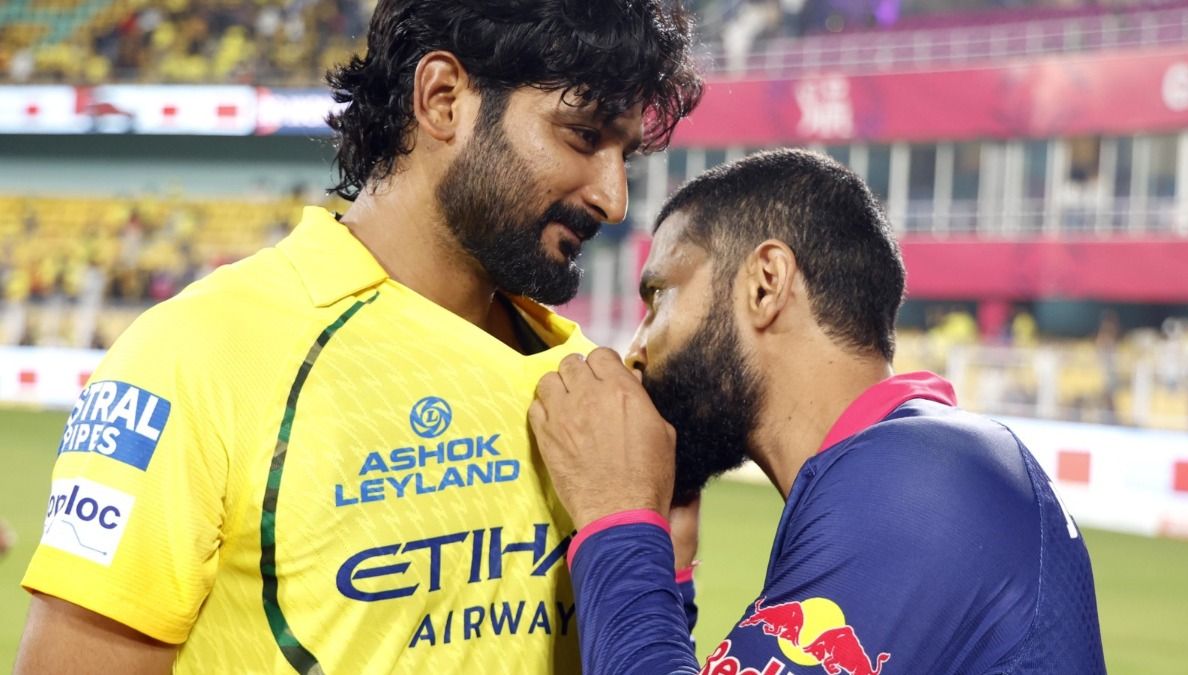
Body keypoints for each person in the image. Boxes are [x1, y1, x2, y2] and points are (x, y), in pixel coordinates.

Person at [16, 2, 701, 673]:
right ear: (442, 98)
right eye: (582, 135)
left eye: (627, 158)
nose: (614, 198)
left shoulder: (601, 399)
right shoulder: (193, 355)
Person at [529, 149, 1106, 674]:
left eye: (659, 297)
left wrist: (619, 516)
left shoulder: (916, 485)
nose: (636, 346)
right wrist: (667, 562)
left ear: (765, 284)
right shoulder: (910, 464)